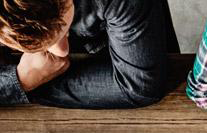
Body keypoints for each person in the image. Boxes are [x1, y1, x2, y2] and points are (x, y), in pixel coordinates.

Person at [0, 0, 176, 108]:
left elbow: (140, 87)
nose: (62, 51)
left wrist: (27, 85)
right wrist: (21, 81)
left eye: (63, 25)